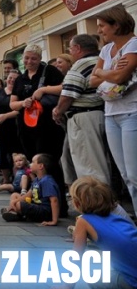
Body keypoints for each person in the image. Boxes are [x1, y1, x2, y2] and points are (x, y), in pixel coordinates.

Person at [48, 176, 137, 289]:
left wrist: (68, 285)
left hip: (131, 279)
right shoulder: (119, 216)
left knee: (93, 278)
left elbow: (76, 256)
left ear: (77, 203)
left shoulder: (83, 221)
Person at [91, 5, 137, 215]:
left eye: (102, 26)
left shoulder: (133, 45)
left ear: (116, 25)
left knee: (135, 173)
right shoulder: (106, 50)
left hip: (132, 112)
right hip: (111, 114)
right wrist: (106, 71)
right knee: (126, 175)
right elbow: (92, 81)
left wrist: (102, 72)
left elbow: (120, 78)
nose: (99, 30)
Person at [52, 34, 109, 186]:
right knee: (100, 161)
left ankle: (96, 203)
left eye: (70, 48)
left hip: (84, 117)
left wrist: (57, 111)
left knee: (89, 165)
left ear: (77, 48)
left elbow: (68, 94)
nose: (70, 52)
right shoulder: (101, 61)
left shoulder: (81, 65)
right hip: (100, 113)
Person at [1, 153, 60, 225]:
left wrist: (54, 221)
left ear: (40, 166)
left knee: (19, 204)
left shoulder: (47, 181)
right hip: (36, 205)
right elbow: (28, 195)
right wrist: (14, 201)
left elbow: (54, 200)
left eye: (33, 162)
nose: (30, 164)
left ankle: (16, 213)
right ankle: (15, 212)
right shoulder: (37, 180)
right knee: (15, 195)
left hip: (44, 211)